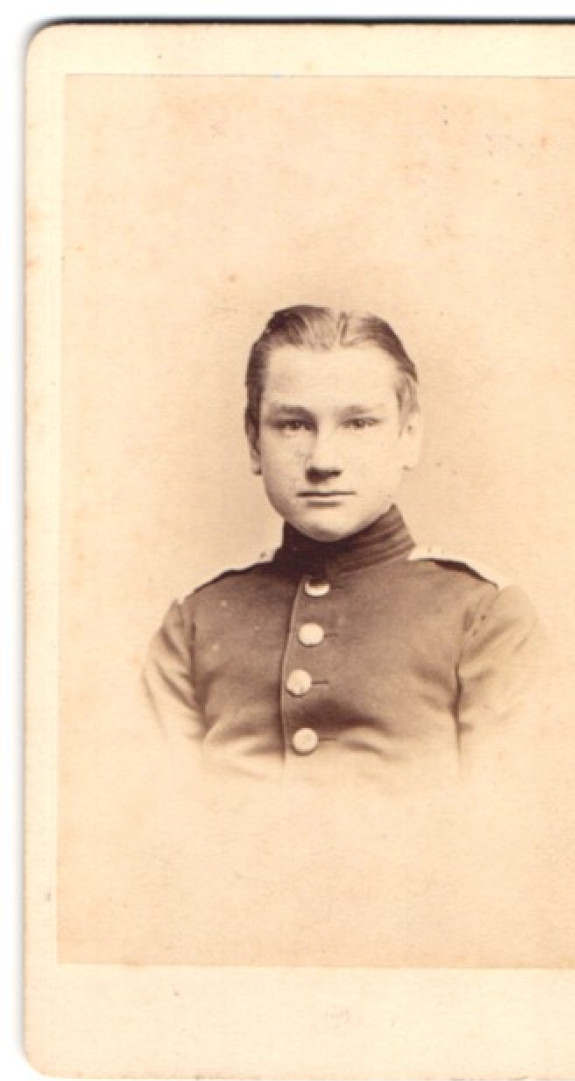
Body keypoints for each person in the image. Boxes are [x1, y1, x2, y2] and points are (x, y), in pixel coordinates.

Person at [143, 305, 544, 788]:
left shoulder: (484, 618)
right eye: (293, 424)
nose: (323, 460)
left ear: (408, 437)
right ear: (254, 441)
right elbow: (160, 829)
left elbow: (507, 830)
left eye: (358, 424)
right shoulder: (195, 622)